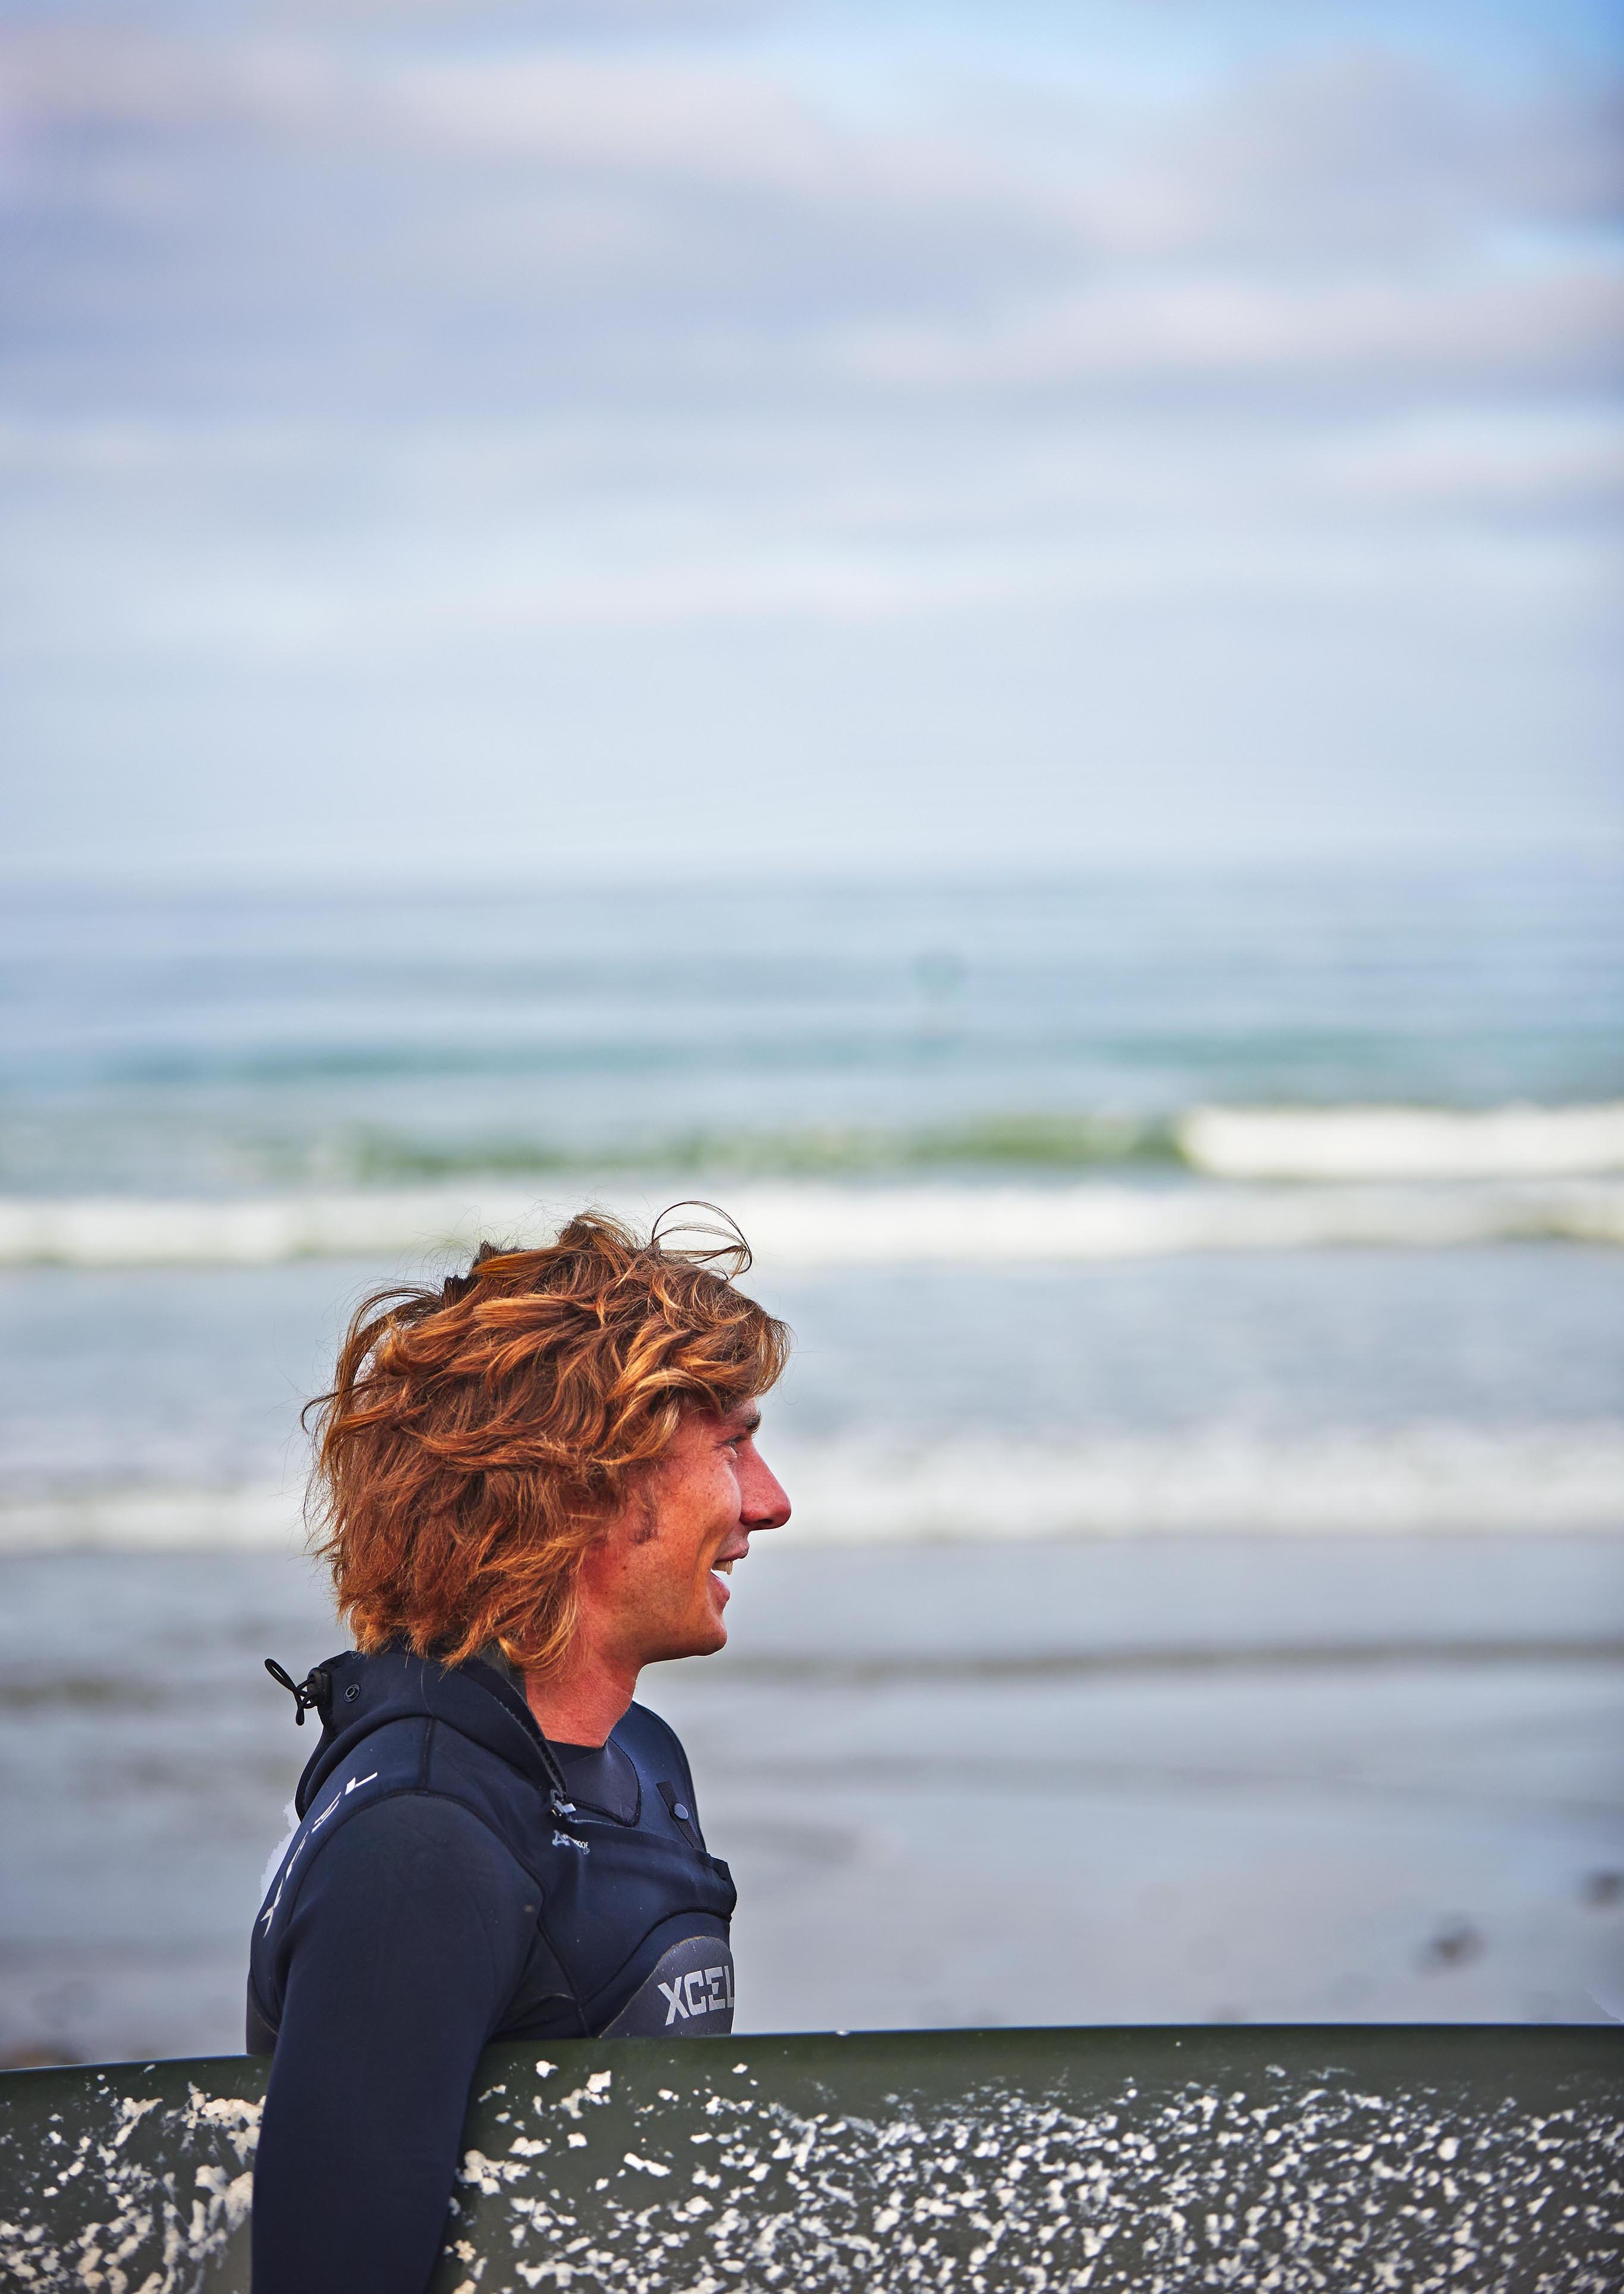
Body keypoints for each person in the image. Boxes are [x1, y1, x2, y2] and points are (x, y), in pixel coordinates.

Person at [247, 1207, 791, 2294]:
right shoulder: (419, 1845)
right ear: (584, 1483)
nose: (770, 1503)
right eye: (731, 1445)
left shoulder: (640, 1758)